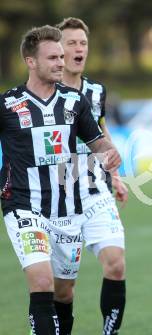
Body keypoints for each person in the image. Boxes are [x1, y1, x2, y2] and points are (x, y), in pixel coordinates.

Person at [0, 25, 121, 335]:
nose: (60, 63)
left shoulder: (74, 101)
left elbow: (97, 141)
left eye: (62, 57)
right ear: (31, 61)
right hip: (24, 206)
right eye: (53, 57)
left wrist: (110, 154)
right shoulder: (8, 104)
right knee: (41, 281)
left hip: (68, 211)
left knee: (63, 293)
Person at [52, 17, 127, 335]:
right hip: (59, 196)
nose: (79, 48)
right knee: (63, 289)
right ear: (58, 50)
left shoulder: (96, 90)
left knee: (116, 264)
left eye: (83, 42)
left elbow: (100, 130)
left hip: (97, 189)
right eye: (71, 43)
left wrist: (117, 174)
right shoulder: (47, 93)